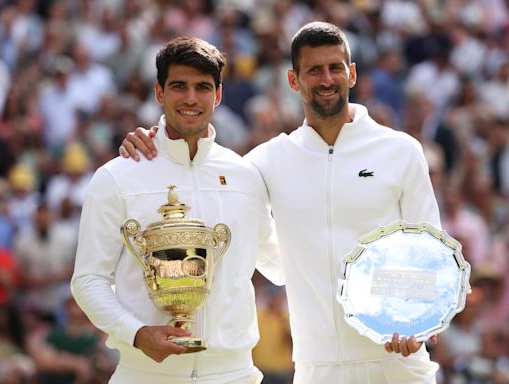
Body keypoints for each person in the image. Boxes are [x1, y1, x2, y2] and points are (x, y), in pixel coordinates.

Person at [120, 22, 441, 383]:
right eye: (314, 70)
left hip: (398, 361)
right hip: (316, 369)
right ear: (293, 80)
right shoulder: (265, 162)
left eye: (335, 67)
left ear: (351, 74)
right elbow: (198, 166)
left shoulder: (401, 151)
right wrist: (154, 142)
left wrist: (420, 323)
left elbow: (431, 251)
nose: (326, 79)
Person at [71, 37, 282, 384]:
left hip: (233, 374)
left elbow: (280, 264)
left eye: (202, 87)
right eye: (179, 86)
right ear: (159, 92)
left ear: (217, 95)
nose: (190, 98)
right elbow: (88, 280)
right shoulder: (117, 175)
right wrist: (137, 333)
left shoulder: (246, 176)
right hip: (144, 373)